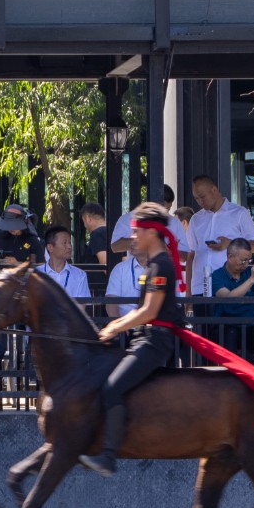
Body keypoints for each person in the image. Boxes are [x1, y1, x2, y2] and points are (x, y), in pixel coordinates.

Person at [85, 202, 188, 476]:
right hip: (144, 338)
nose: (132, 238)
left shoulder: (161, 266)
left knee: (111, 388)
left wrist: (114, 327)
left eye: (136, 232)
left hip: (154, 342)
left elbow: (149, 311)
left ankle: (108, 455)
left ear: (151, 234)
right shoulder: (157, 264)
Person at [207, 236, 254, 366]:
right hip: (225, 326)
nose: (246, 264)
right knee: (230, 333)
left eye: (248, 260)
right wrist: (252, 280)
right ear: (230, 257)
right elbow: (229, 299)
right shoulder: (217, 275)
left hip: (248, 326)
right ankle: (230, 378)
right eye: (243, 260)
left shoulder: (249, 273)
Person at [186, 175, 254, 271]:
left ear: (214, 190)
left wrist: (232, 244)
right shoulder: (196, 219)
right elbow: (191, 255)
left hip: (229, 283)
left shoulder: (239, 213)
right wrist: (189, 285)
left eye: (202, 196)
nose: (200, 201)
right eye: (196, 198)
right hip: (200, 283)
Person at [36, 227, 91, 299]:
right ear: (50, 247)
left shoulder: (80, 275)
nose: (69, 246)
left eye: (69, 242)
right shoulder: (36, 274)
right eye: (64, 243)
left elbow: (81, 307)